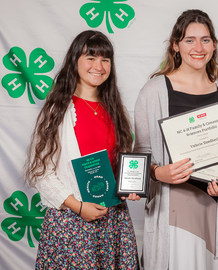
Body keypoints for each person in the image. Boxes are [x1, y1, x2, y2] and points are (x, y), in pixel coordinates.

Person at [133, 9, 218, 270]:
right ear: (176, 45)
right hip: (173, 208)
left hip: (216, 208)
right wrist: (159, 173)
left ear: (214, 46)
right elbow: (141, 153)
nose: (198, 47)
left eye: (205, 40)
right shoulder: (154, 91)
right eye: (189, 40)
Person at [24, 30, 139, 269]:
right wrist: (78, 207)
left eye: (105, 59)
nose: (99, 65)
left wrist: (129, 187)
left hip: (113, 222)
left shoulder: (116, 111)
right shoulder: (57, 110)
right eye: (91, 57)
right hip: (71, 222)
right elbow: (41, 173)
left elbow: (117, 166)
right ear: (74, 61)